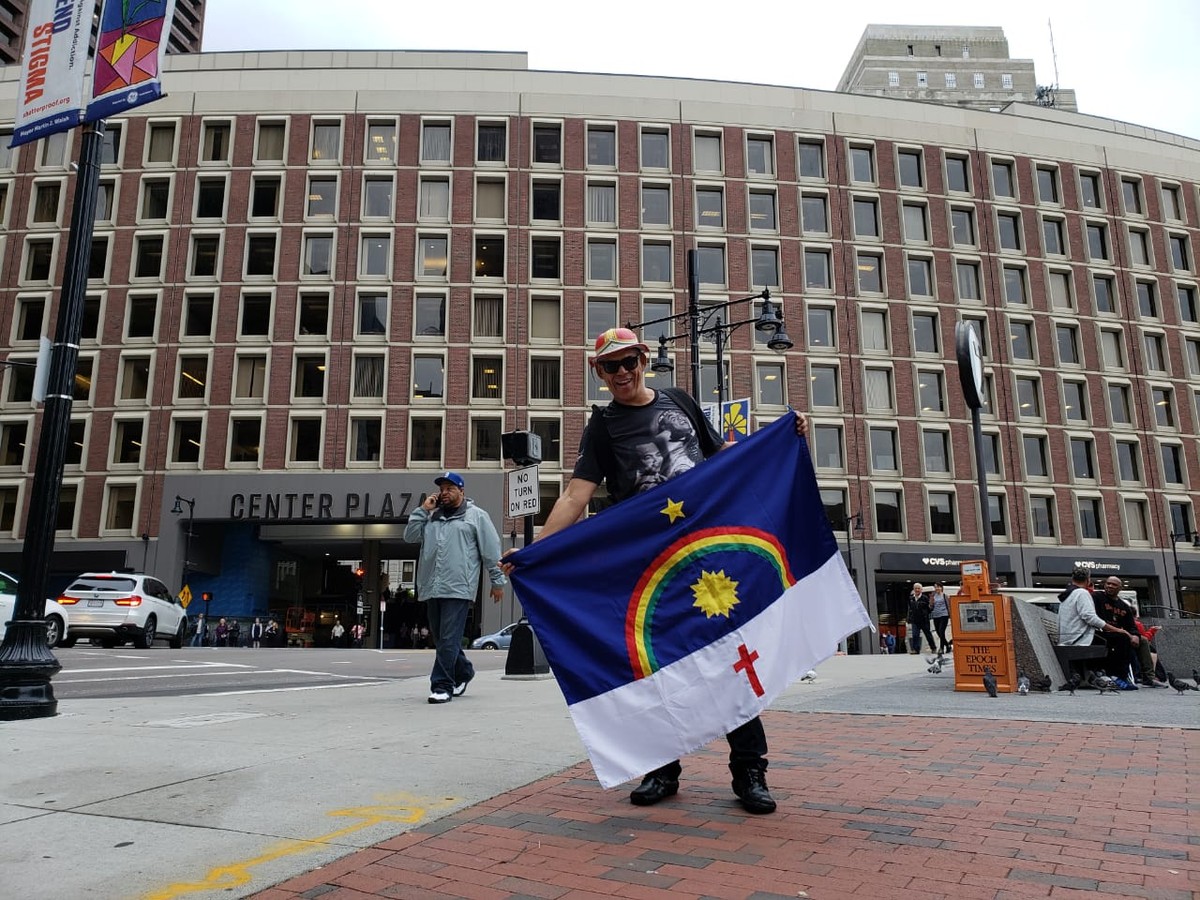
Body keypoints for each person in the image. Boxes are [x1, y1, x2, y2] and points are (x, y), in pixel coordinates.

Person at [501, 327, 810, 815]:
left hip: (706, 549)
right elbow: (576, 494)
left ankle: (750, 770)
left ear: (644, 360)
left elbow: (726, 455)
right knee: (659, 662)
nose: (622, 373)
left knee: (731, 654)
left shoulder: (681, 401)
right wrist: (535, 550)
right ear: (597, 372)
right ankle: (661, 769)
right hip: (651, 560)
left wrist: (777, 439)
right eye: (611, 366)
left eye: (630, 362)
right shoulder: (602, 425)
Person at [404, 471, 505, 704]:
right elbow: (409, 537)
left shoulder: (476, 517)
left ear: (462, 491)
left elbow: (490, 552)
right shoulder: (431, 517)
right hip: (431, 586)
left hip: (459, 587)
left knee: (449, 639)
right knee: (442, 640)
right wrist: (422, 510)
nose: (444, 493)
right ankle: (464, 672)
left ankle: (442, 685)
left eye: (450, 488)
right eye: (442, 489)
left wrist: (497, 581)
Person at [1057, 568, 1131, 678]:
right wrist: (1117, 629)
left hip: (1067, 637)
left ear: (1073, 579)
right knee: (1122, 638)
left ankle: (1102, 672)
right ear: (1088, 580)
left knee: (1110, 639)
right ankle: (1118, 676)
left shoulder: (1068, 594)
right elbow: (1090, 617)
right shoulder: (1082, 593)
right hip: (1080, 638)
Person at [1092, 577, 1143, 683]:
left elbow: (1131, 627)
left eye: (1114, 585)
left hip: (1116, 635)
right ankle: (1119, 675)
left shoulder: (1124, 606)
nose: (1110, 586)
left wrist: (1136, 636)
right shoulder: (1097, 597)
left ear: (1120, 588)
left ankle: (1149, 676)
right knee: (1123, 639)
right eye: (1108, 583)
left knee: (1144, 642)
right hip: (1098, 633)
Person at [907, 583, 934, 655]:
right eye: (915, 588)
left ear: (921, 590)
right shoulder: (911, 598)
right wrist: (909, 619)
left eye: (918, 588)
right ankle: (916, 649)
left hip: (924, 620)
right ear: (914, 589)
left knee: (928, 634)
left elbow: (929, 609)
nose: (917, 590)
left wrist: (925, 613)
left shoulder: (925, 598)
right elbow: (910, 609)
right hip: (915, 620)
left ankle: (933, 647)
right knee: (915, 635)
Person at [929, 582, 951, 655]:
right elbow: (931, 606)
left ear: (941, 588)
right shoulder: (933, 596)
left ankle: (941, 648)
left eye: (938, 587)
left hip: (944, 615)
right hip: (936, 615)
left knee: (941, 631)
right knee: (938, 632)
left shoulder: (945, 596)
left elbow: (948, 605)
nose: (937, 588)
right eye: (935, 587)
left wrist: (949, 614)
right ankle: (947, 645)